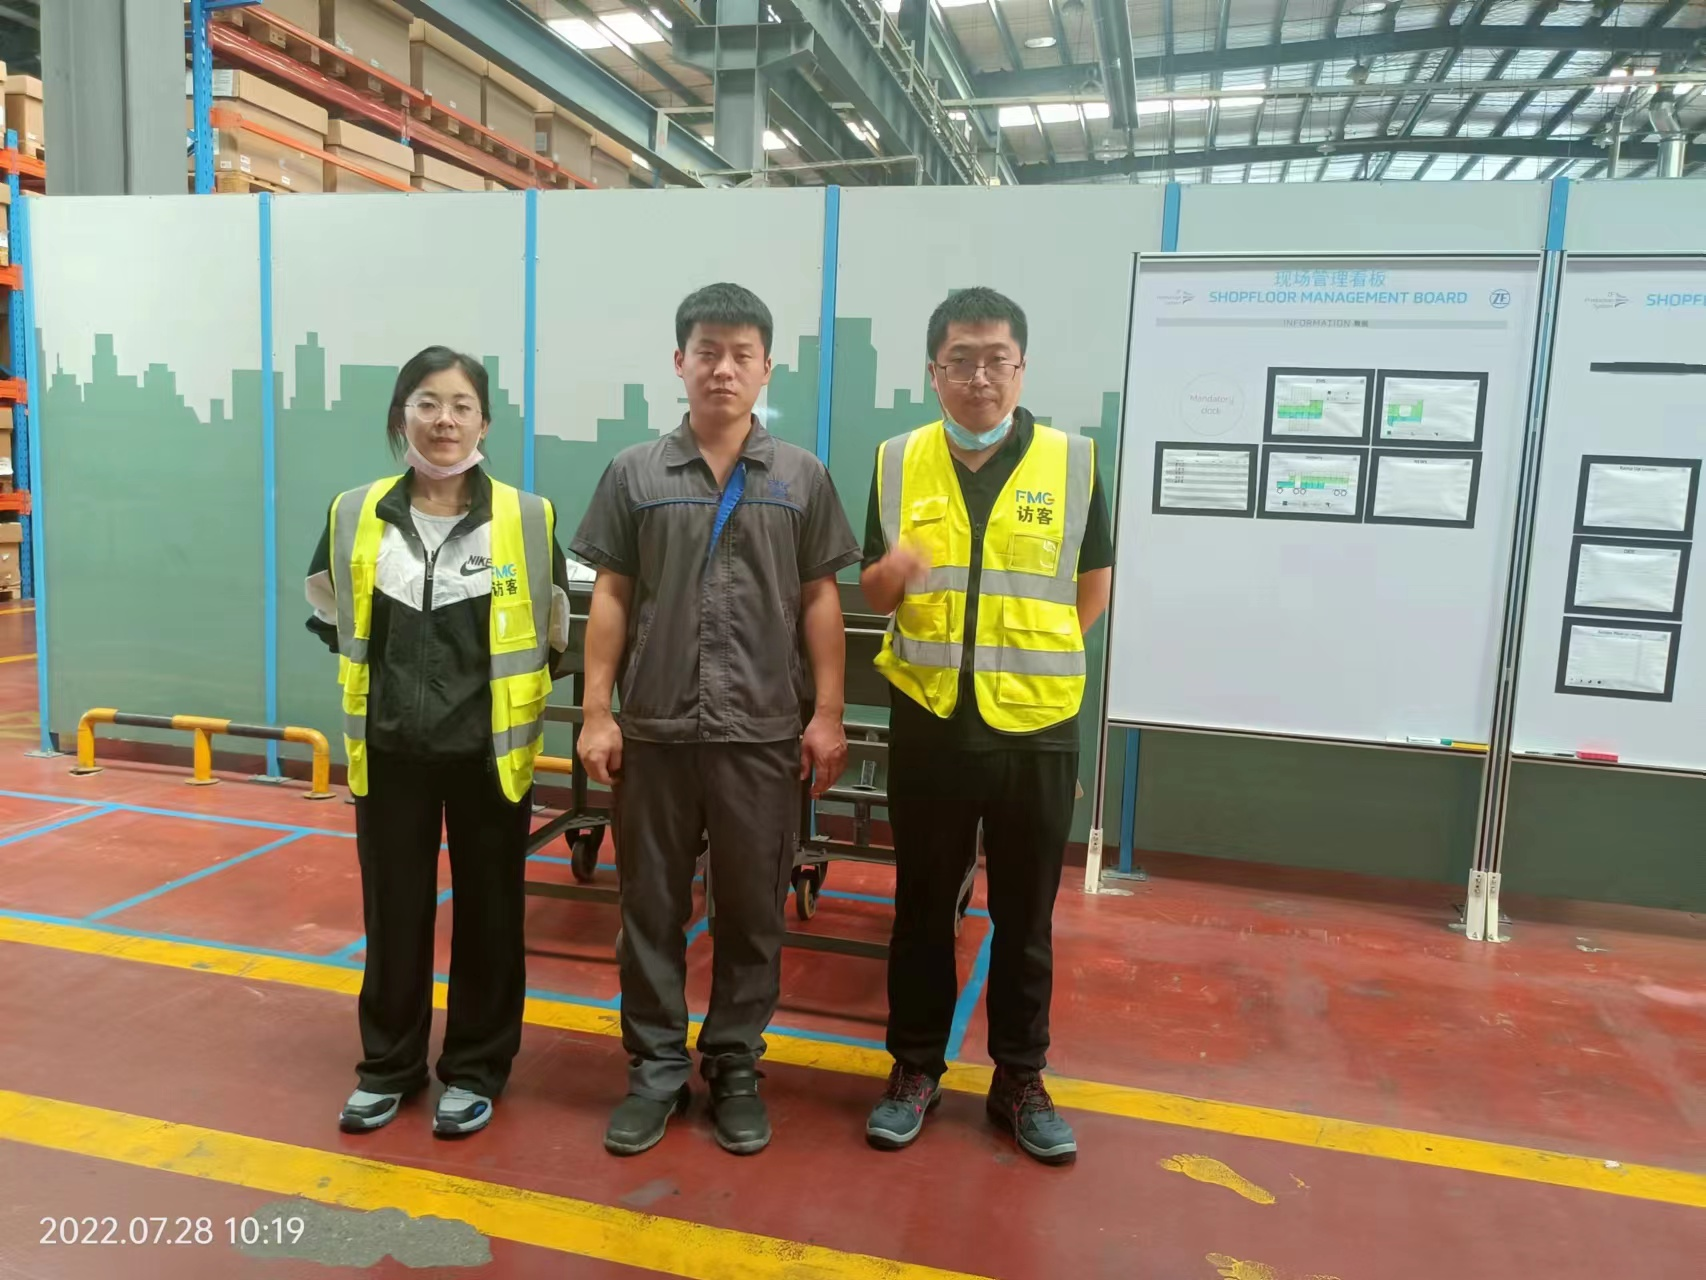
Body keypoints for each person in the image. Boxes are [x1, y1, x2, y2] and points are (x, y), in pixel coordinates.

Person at [571, 282, 861, 1157]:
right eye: (707, 352)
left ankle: (734, 1065)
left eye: (741, 355)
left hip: (762, 734)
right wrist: (596, 713)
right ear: (680, 362)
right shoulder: (635, 473)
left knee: (751, 914)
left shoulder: (801, 476)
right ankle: (656, 1071)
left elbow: (821, 600)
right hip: (655, 734)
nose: (723, 369)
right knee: (649, 909)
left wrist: (828, 714)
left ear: (767, 367)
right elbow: (611, 596)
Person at [858, 287, 1113, 1164]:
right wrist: (894, 572)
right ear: (933, 371)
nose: (979, 377)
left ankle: (1019, 1079)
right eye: (960, 360)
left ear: (1021, 368)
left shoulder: (1073, 462)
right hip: (929, 720)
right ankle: (914, 1069)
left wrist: (1032, 657)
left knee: (1026, 917)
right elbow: (874, 590)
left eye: (996, 359)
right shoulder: (897, 460)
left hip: (1036, 729)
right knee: (922, 910)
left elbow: (1093, 582)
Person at [304, 346, 574, 1139]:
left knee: (491, 917)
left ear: (484, 423)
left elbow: (553, 627)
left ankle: (477, 1069)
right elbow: (329, 610)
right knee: (394, 914)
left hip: (490, 755)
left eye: (461, 405)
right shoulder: (354, 511)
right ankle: (388, 1067)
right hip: (389, 752)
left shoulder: (526, 519)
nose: (444, 420)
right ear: (402, 416)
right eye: (427, 402)